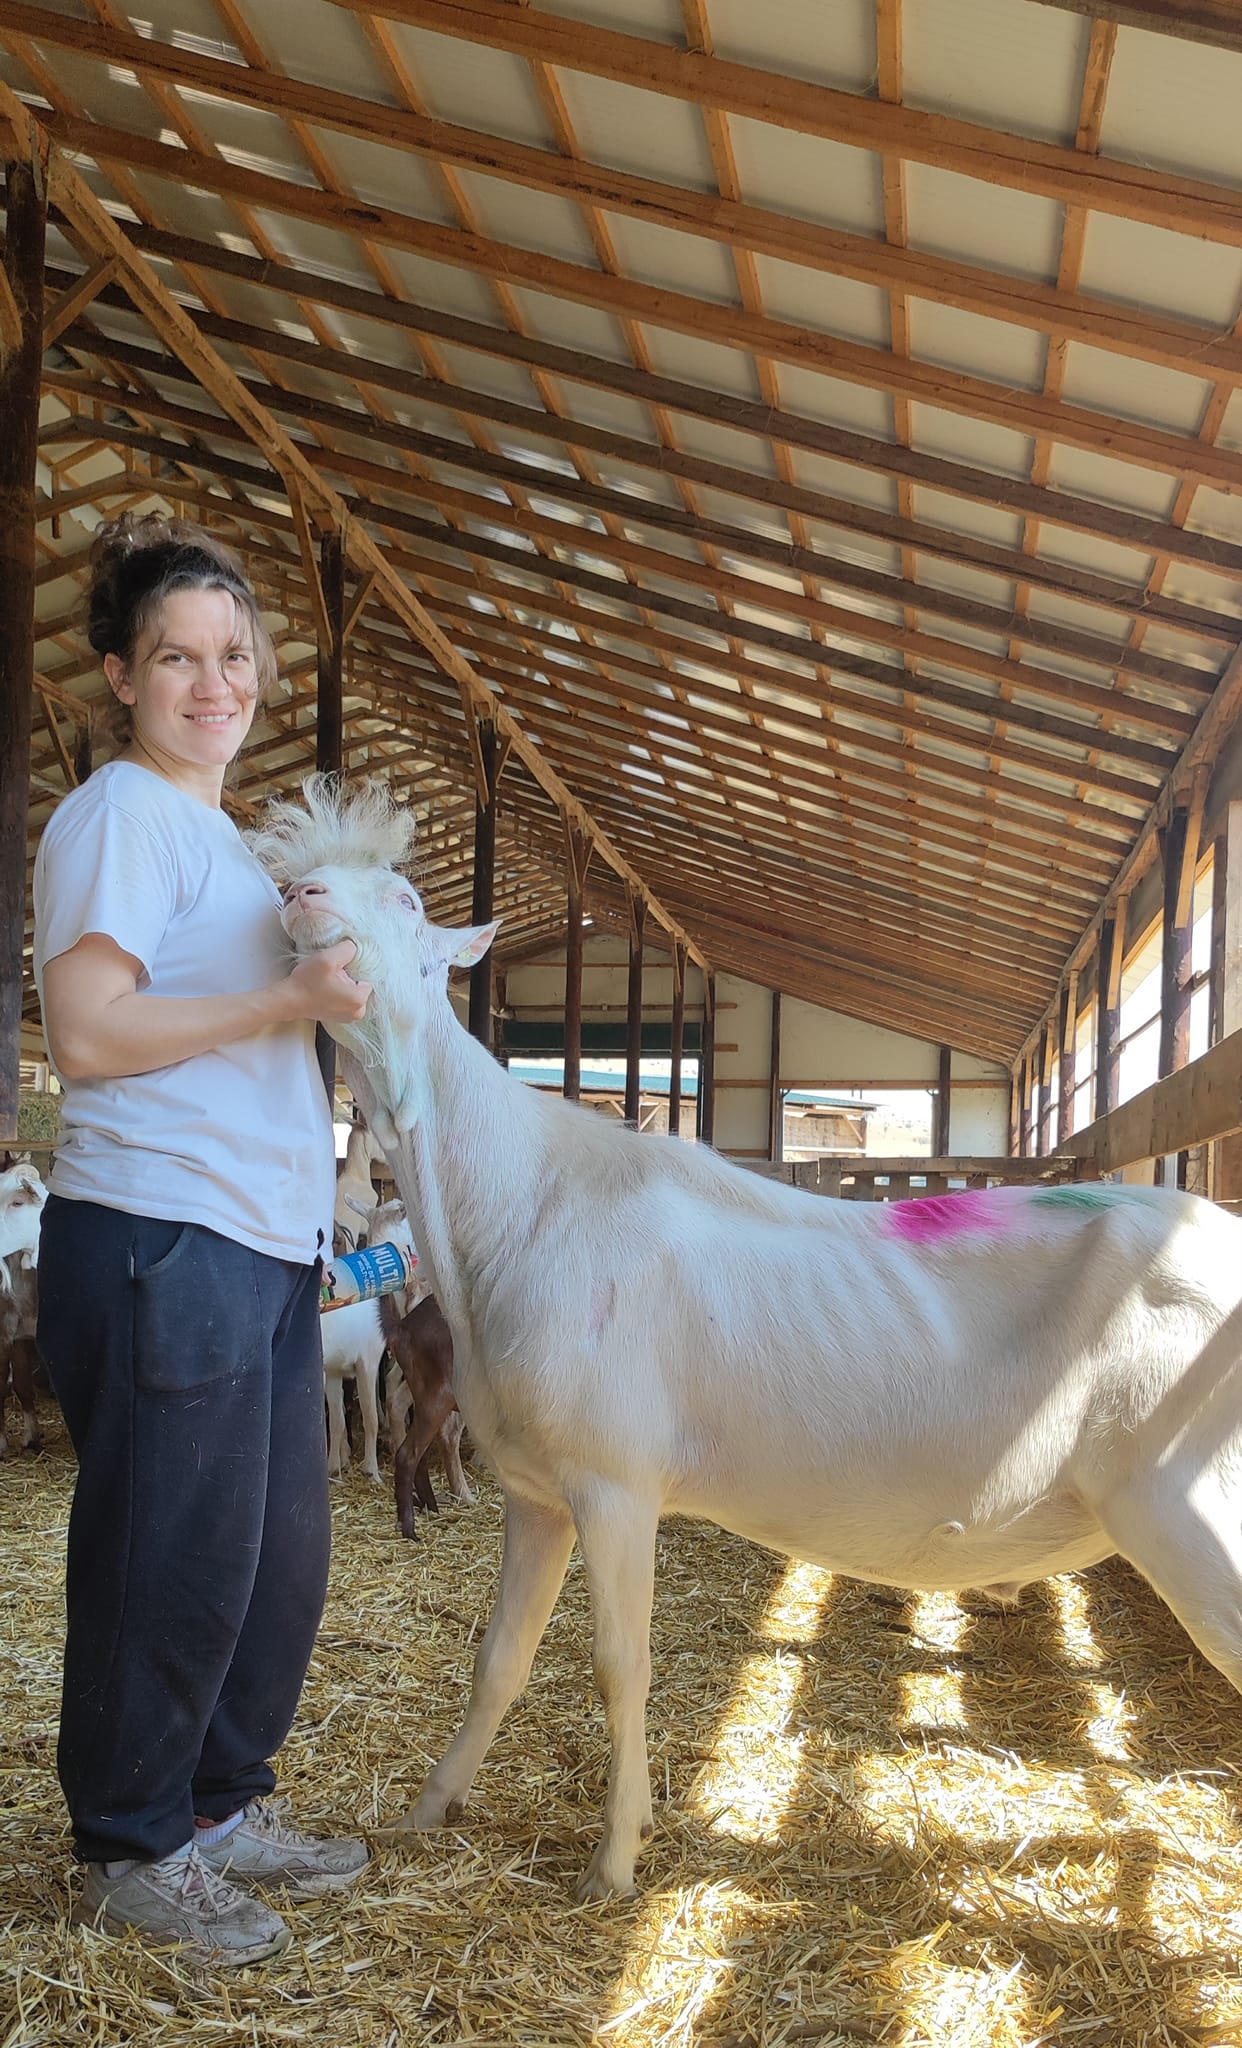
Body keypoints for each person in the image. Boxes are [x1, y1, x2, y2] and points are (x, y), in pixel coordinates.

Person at [33, 514, 374, 1965]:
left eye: (233, 654)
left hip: (257, 1243)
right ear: (121, 673)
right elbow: (91, 1035)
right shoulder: (120, 812)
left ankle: (220, 1804)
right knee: (170, 1553)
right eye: (176, 655)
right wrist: (283, 1003)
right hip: (161, 1235)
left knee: (267, 1557)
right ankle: (130, 1838)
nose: (211, 682)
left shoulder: (226, 845)